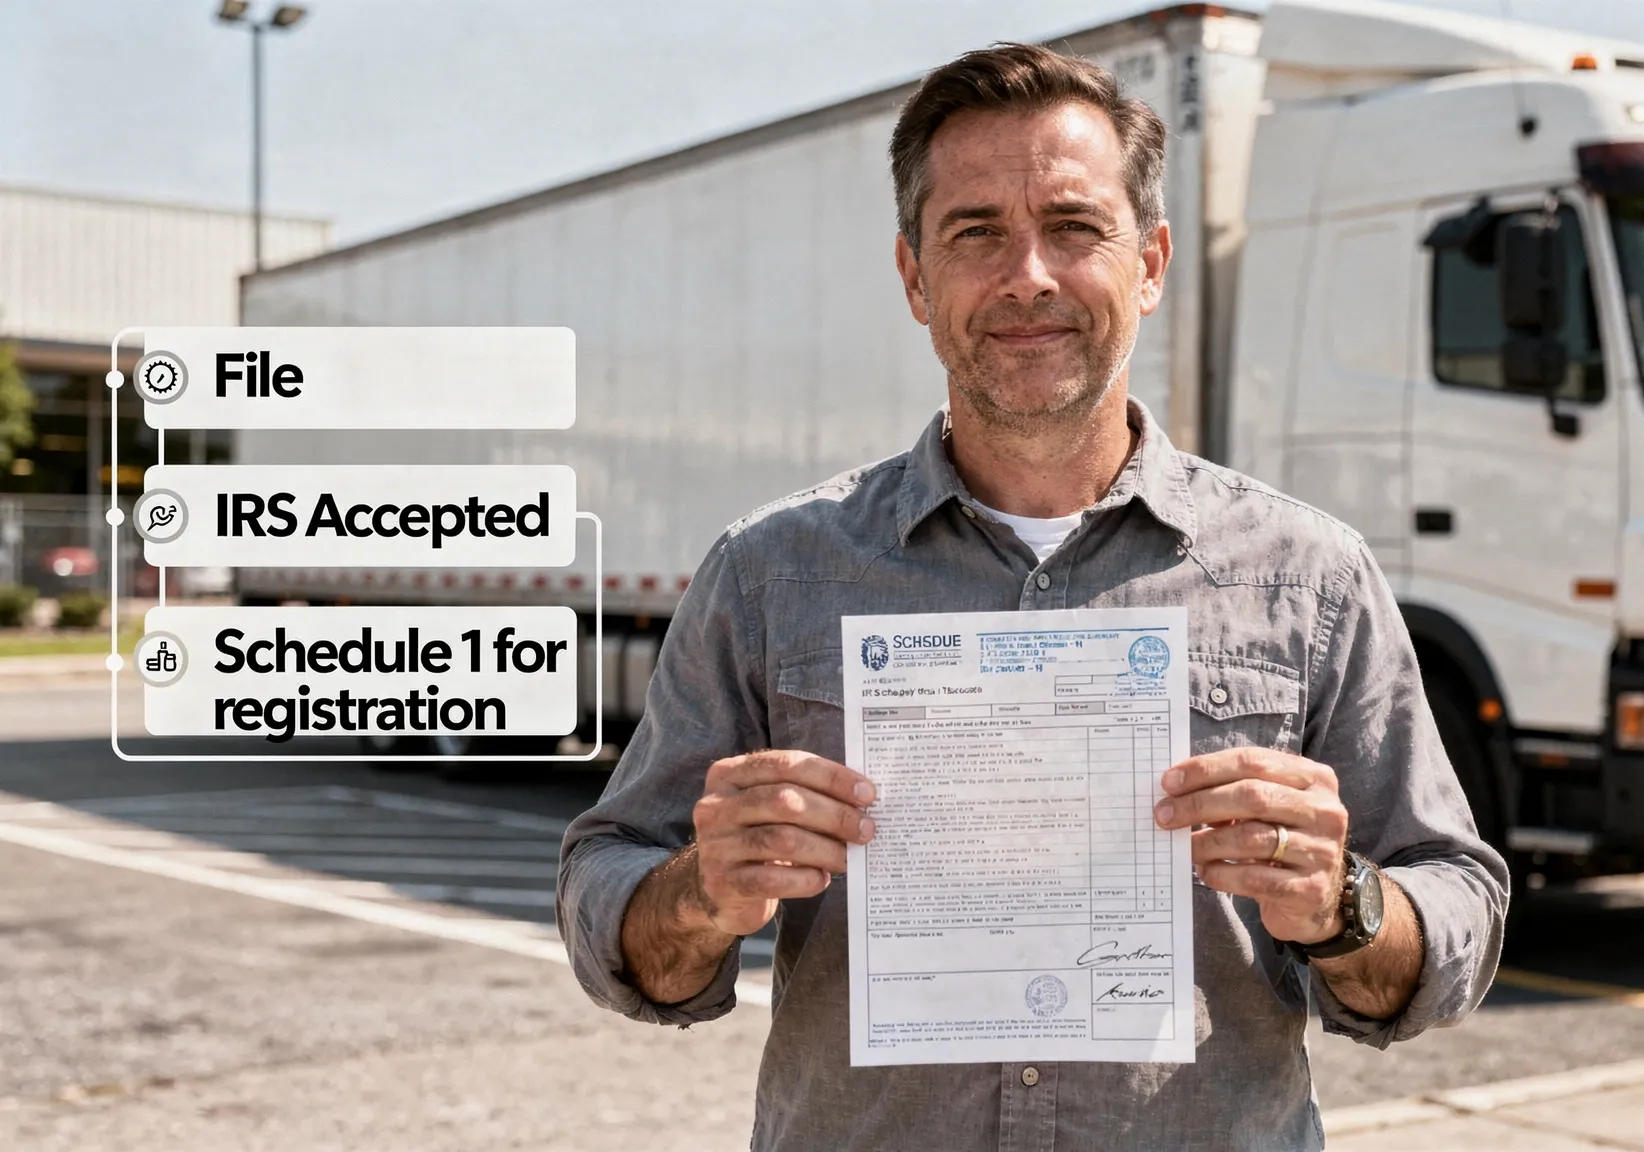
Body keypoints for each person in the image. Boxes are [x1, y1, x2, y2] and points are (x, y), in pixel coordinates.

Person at [557, 42, 1508, 1151]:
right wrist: (695, 892)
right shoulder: (770, 574)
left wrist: (1342, 906)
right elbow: (606, 895)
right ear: (914, 278)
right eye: (974, 234)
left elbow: (1457, 909)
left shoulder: (1308, 576)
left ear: (1149, 263)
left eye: (1072, 227)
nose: (1027, 276)